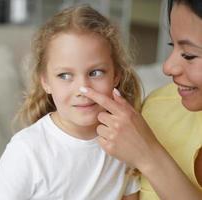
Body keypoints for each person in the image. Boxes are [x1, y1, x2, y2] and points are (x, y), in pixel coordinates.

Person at [0, 5, 142, 200]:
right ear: (46, 82)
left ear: (116, 75)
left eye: (96, 73)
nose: (83, 89)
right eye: (65, 75)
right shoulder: (27, 150)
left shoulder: (125, 140)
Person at [79, 0, 202, 199]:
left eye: (189, 55)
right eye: (173, 45)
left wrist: (150, 157)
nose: (167, 67)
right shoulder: (156, 109)